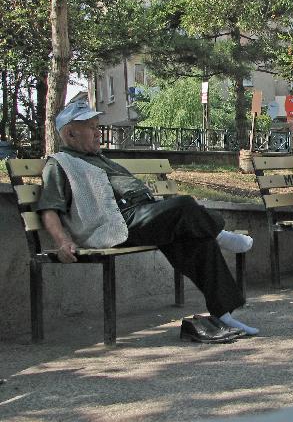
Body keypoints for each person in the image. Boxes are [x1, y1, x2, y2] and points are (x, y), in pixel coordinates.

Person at [36, 100, 258, 342]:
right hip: (115, 224)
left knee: (200, 241)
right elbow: (49, 208)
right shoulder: (59, 163)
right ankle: (221, 233)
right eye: (91, 127)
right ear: (70, 133)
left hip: (141, 214)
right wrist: (62, 241)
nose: (98, 132)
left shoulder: (98, 158)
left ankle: (223, 315)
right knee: (183, 205)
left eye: (97, 126)